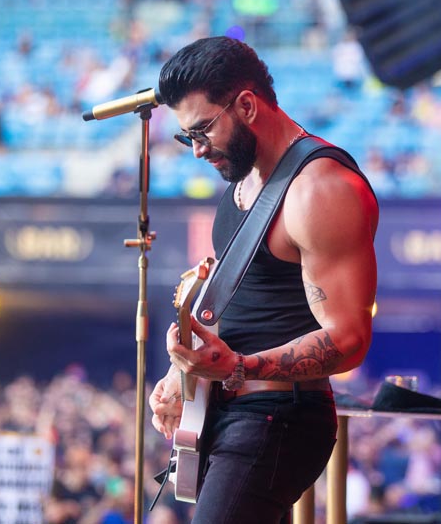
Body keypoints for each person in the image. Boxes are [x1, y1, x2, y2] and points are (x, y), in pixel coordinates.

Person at [148, 36, 379, 523]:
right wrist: (181, 373)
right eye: (186, 136)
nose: (195, 151)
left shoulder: (321, 190)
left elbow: (351, 340)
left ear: (247, 105)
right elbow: (235, 297)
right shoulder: (244, 177)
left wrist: (237, 366)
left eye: (203, 131)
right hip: (230, 411)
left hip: (279, 418)